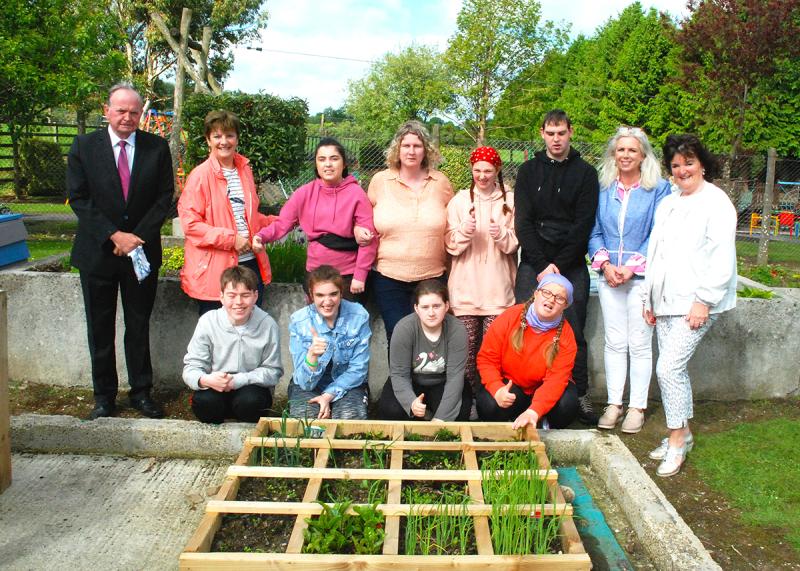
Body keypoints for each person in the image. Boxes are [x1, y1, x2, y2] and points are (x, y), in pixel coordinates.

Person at [67, 83, 173, 420]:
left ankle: (141, 392)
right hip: (98, 253)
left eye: (134, 112)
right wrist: (113, 234)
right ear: (107, 110)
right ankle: (104, 397)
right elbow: (79, 197)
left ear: (141, 113)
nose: (127, 117)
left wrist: (135, 237)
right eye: (121, 110)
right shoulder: (84, 146)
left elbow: (164, 197)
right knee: (100, 328)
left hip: (140, 255)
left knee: (138, 325)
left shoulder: (156, 147)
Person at [642, 134, 736, 477]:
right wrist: (648, 297)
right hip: (665, 301)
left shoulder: (716, 202)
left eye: (689, 163)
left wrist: (704, 301)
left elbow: (721, 258)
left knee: (667, 369)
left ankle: (677, 440)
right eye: (676, 165)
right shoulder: (670, 202)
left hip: (695, 304)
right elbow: (655, 254)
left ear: (702, 164)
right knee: (673, 372)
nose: (682, 170)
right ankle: (682, 433)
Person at [514, 109, 599, 424]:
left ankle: (580, 395)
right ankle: (525, 392)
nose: (556, 139)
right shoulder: (528, 171)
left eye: (561, 133)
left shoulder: (586, 174)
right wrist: (541, 264)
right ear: (542, 134)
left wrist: (558, 266)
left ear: (570, 132)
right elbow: (522, 223)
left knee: (574, 330)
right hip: (533, 262)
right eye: (550, 133)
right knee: (525, 324)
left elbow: (583, 225)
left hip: (571, 262)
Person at [589, 127, 672, 434]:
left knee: (638, 343)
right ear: (614, 154)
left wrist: (632, 266)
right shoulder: (603, 188)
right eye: (620, 150)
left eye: (632, 150)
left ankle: (637, 406)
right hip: (609, 276)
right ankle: (614, 403)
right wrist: (607, 264)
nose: (625, 155)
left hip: (641, 278)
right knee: (614, 341)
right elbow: (594, 230)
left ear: (643, 156)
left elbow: (658, 232)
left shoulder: (658, 189)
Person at [252, 137, 377, 302]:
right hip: (315, 274)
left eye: (334, 158)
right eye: (322, 159)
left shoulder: (357, 194)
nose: (328, 164)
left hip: (347, 276)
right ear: (316, 164)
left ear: (344, 164)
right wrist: (262, 236)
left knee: (347, 326)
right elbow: (283, 223)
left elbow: (370, 239)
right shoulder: (304, 193)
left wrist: (360, 275)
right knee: (317, 325)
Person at [178, 110, 275, 315]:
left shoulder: (245, 170)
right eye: (217, 136)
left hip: (250, 263)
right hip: (216, 271)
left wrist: (280, 222)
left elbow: (248, 217)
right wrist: (231, 240)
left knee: (251, 333)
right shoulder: (200, 176)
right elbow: (191, 224)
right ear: (208, 140)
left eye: (229, 135)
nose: (224, 141)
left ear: (237, 138)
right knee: (218, 337)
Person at [367, 121, 454, 342]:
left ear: (426, 150)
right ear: (397, 149)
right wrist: (360, 230)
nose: (411, 151)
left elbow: (454, 223)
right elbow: (364, 219)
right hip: (388, 276)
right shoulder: (380, 181)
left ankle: (427, 379)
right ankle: (398, 378)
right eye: (406, 145)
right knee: (398, 336)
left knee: (430, 338)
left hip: (432, 276)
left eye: (417, 146)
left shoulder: (440, 182)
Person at [445, 146, 517, 401]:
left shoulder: (510, 200)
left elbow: (515, 245)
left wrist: (502, 235)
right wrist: (463, 232)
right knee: (465, 352)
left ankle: (490, 402)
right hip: (465, 291)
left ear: (497, 170)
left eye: (488, 170)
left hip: (498, 291)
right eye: (477, 170)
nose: (482, 176)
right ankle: (466, 402)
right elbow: (450, 245)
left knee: (493, 354)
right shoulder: (460, 201)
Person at [476, 274, 579, 429]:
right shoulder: (510, 317)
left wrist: (535, 410)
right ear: (536, 293)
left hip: (543, 389)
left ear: (565, 306)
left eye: (559, 298)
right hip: (513, 386)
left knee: (567, 406)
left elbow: (556, 379)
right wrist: (497, 389)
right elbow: (487, 359)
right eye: (546, 292)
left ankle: (540, 419)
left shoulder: (566, 335)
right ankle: (514, 420)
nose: (551, 300)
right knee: (487, 405)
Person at [182, 266, 283, 423]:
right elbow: (191, 367)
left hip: (250, 387)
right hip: (215, 385)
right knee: (205, 403)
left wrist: (239, 380)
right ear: (221, 297)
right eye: (232, 295)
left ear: (255, 296)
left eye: (245, 295)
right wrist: (205, 380)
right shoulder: (208, 322)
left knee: (250, 402)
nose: (239, 302)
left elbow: (273, 371)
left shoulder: (267, 324)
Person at [378, 280, 471, 422]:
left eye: (436, 306)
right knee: (391, 409)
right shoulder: (404, 328)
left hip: (443, 381)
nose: (431, 313)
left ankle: (433, 417)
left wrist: (441, 419)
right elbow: (399, 374)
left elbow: (455, 377)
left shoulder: (456, 329)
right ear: (416, 308)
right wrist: (411, 402)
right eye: (425, 307)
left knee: (459, 412)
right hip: (412, 380)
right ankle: (419, 420)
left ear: (446, 306)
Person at [288, 265, 371, 420]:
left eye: (333, 294)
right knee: (304, 421)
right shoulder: (299, 321)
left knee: (349, 418)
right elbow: (304, 382)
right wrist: (312, 356)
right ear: (311, 296)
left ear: (341, 293)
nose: (327, 301)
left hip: (348, 384)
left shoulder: (359, 315)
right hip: (310, 384)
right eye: (320, 295)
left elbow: (359, 369)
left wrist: (328, 395)